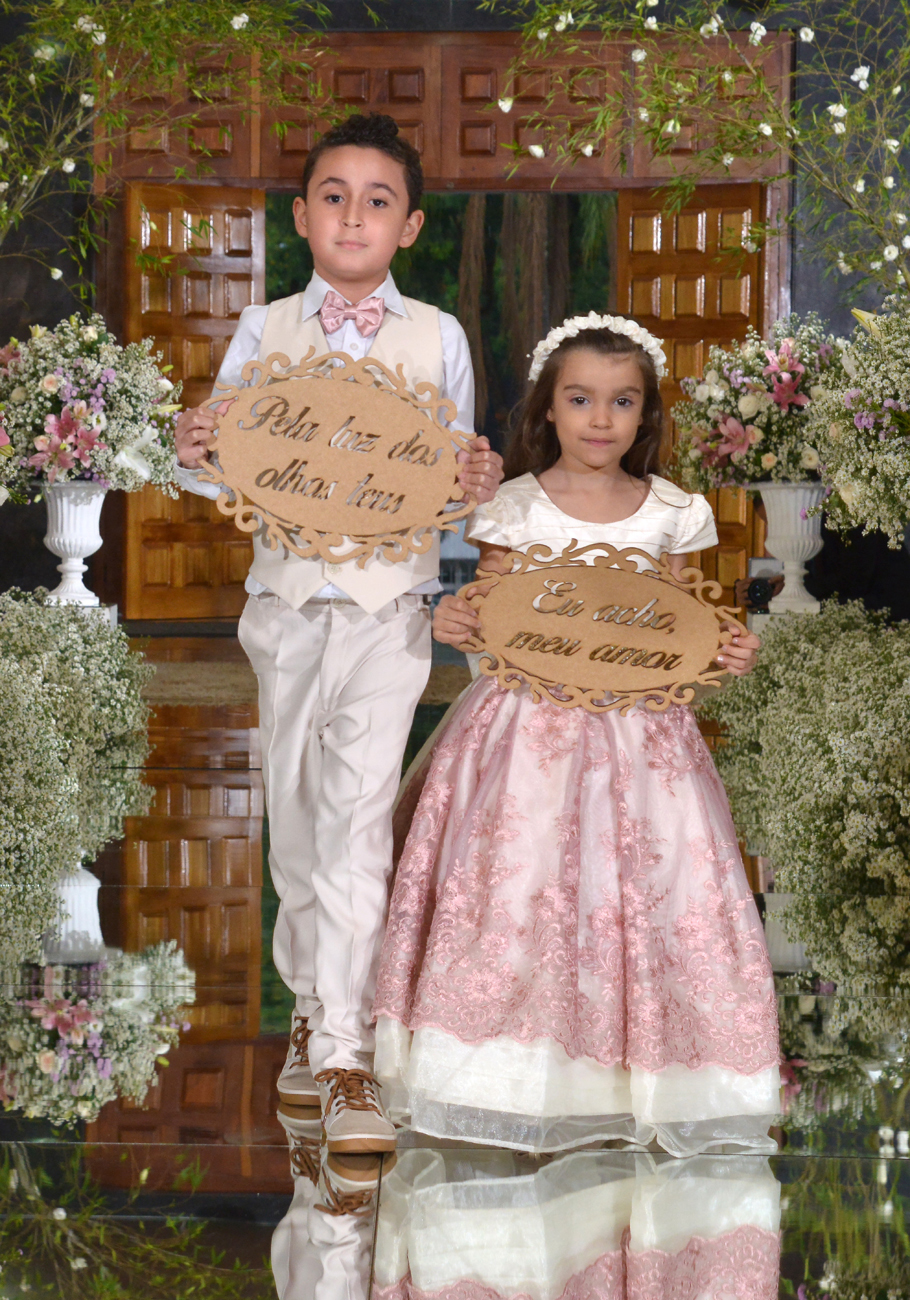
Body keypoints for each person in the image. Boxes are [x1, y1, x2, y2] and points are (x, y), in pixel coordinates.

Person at [372, 314, 781, 1156]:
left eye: (623, 401)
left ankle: (648, 1074)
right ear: (548, 409)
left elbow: (686, 624)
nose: (601, 419)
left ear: (646, 414)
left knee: (651, 885)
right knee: (524, 882)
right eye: (581, 399)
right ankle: (505, 1071)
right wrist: (455, 619)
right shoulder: (514, 507)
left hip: (644, 737)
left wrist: (727, 649)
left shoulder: (673, 510)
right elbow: (489, 614)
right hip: (530, 734)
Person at [172, 113, 502, 1154]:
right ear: (302, 215)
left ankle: (349, 1052)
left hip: (386, 614)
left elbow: (451, 486)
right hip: (282, 610)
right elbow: (222, 468)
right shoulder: (264, 328)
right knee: (301, 825)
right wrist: (193, 447)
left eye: (377, 200)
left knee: (358, 821)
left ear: (409, 226)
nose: (354, 215)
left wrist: (476, 480)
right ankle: (312, 1014)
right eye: (333, 195)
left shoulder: (436, 336)